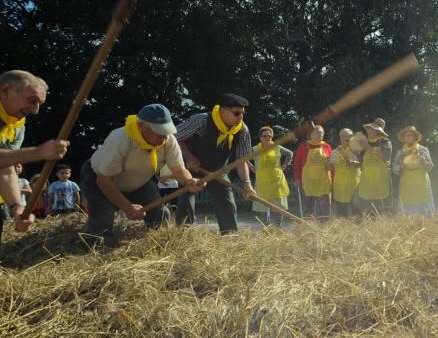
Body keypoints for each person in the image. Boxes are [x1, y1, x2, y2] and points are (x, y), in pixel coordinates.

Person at [80, 104, 201, 246]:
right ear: (141, 125)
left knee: (161, 215)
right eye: (158, 132)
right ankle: (99, 246)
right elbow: (104, 180)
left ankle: (157, 245)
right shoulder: (120, 139)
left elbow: (179, 169)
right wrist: (127, 207)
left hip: (138, 181)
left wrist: (189, 181)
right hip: (99, 179)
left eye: (166, 131)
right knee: (102, 223)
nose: (163, 137)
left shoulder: (168, 140)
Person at [173, 93, 255, 234]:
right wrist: (190, 157)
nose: (240, 117)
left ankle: (230, 236)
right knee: (186, 199)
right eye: (236, 113)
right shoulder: (202, 120)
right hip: (192, 169)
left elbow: (241, 160)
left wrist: (247, 184)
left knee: (227, 202)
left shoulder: (242, 130)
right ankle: (183, 235)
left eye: (242, 113)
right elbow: (174, 138)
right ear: (223, 111)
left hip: (218, 171)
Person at [0, 70, 69, 235]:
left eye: (39, 104)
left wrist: (17, 207)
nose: (35, 110)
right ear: (5, 90)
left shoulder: (17, 127)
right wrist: (38, 152)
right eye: (32, 101)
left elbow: (5, 168)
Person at [252, 126, 293, 226]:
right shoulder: (255, 149)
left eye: (269, 136)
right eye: (264, 136)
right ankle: (266, 229)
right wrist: (252, 168)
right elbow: (242, 159)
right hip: (262, 182)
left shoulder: (277, 147)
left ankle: (277, 228)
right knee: (263, 206)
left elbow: (290, 154)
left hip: (276, 181)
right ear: (260, 137)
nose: (267, 138)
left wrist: (284, 166)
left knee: (278, 207)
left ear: (272, 136)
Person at [392, 125, 435, 216]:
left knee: (424, 215)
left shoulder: (423, 150)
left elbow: (430, 167)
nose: (408, 137)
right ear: (403, 138)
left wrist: (422, 160)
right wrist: (401, 167)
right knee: (407, 214)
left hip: (422, 185)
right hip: (406, 186)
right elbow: (394, 169)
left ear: (415, 137)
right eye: (406, 135)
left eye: (410, 135)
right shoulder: (400, 152)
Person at [293, 125, 333, 220]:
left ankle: (325, 228)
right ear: (311, 134)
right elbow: (297, 164)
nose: (320, 134)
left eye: (322, 133)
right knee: (308, 208)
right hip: (308, 182)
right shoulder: (303, 146)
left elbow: (331, 165)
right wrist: (297, 178)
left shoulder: (327, 146)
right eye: (317, 132)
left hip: (324, 182)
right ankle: (308, 228)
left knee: (325, 208)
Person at [358, 118, 392, 215]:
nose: (368, 130)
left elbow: (385, 157)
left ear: (377, 131)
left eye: (371, 128)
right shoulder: (364, 142)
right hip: (366, 181)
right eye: (368, 128)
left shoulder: (385, 142)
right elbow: (361, 161)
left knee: (380, 211)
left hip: (380, 181)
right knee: (366, 211)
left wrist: (368, 148)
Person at [332, 127, 362, 217]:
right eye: (343, 136)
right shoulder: (335, 152)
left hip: (355, 185)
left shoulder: (357, 150)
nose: (346, 138)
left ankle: (359, 229)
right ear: (340, 137)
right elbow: (330, 167)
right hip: (340, 186)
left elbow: (362, 164)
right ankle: (343, 229)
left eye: (348, 136)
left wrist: (354, 163)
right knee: (342, 213)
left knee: (357, 211)